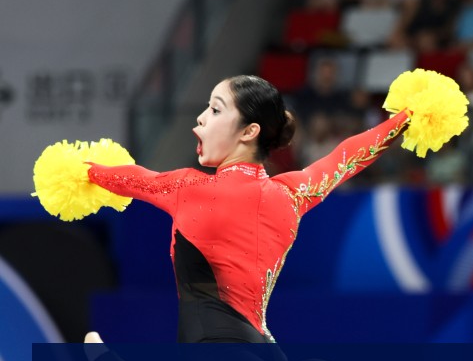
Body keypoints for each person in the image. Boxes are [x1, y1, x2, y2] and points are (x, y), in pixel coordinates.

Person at [82, 75, 413, 344]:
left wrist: (81, 170)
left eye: (215, 109)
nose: (200, 117)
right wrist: (407, 117)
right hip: (261, 358)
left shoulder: (187, 188)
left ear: (249, 131)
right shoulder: (293, 193)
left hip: (216, 358)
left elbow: (130, 179)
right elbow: (347, 157)